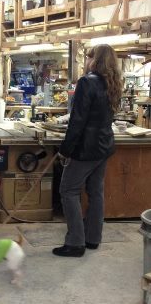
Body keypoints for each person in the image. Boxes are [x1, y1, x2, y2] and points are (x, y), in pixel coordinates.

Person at [52, 44, 123, 257]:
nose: (86, 61)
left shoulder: (86, 82)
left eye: (88, 57)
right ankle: (93, 238)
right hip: (104, 147)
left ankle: (75, 243)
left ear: (95, 60)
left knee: (68, 190)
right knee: (95, 192)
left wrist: (65, 150)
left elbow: (77, 121)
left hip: (85, 149)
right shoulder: (114, 83)